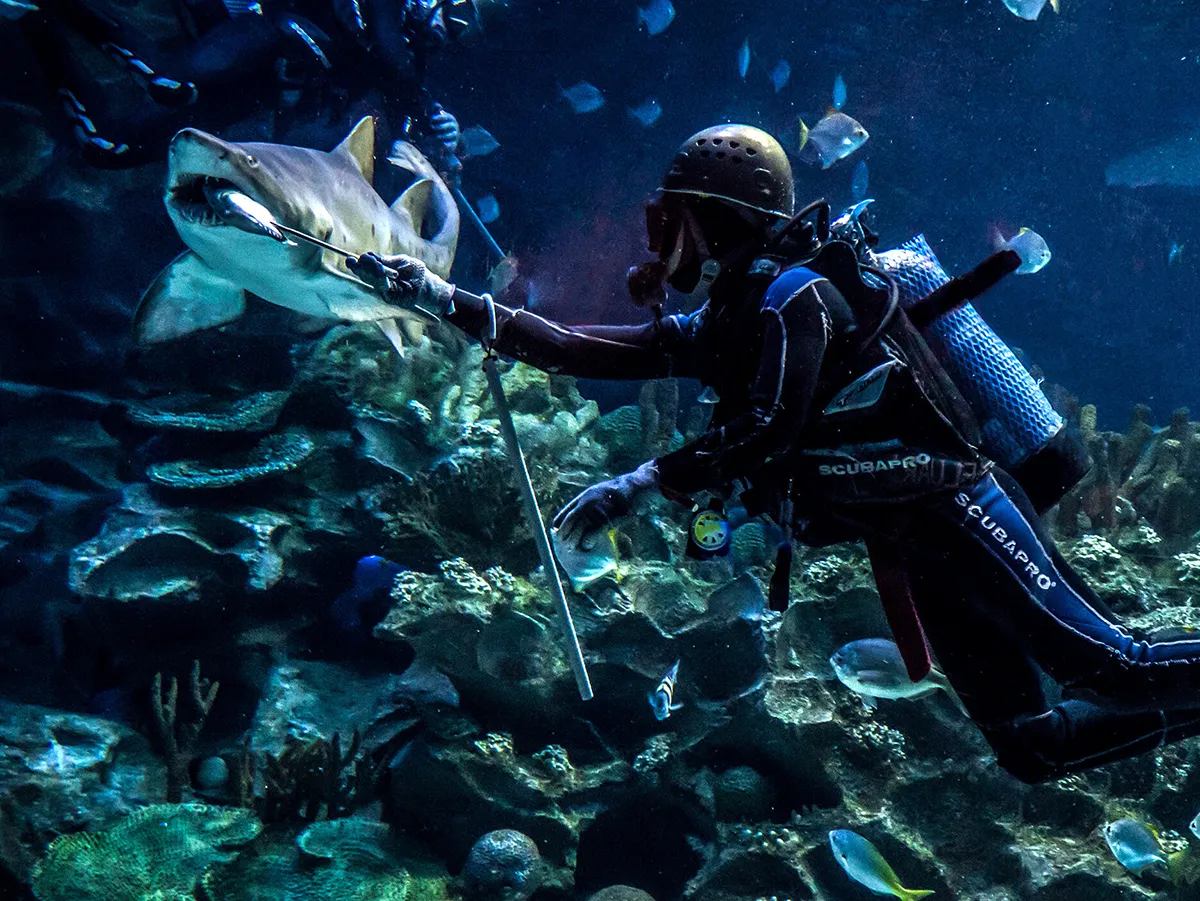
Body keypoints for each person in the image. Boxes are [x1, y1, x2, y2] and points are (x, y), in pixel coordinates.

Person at [348, 124, 1200, 784]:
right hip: (915, 545)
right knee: (1032, 747)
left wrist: (642, 480)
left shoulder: (797, 296)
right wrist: (442, 298)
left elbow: (769, 429)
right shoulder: (735, 316)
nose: (661, 238)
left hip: (957, 507)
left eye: (673, 216)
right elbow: (577, 347)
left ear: (716, 215)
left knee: (1112, 668)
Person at [19, 0, 473, 173]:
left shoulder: (404, 64)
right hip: (261, 24)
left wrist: (441, 135)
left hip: (254, 87)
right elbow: (389, 49)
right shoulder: (390, 32)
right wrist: (425, 105)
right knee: (168, 82)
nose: (446, 32)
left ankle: (34, 24)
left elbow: (400, 133)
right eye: (453, 16)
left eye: (456, 33)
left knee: (106, 149)